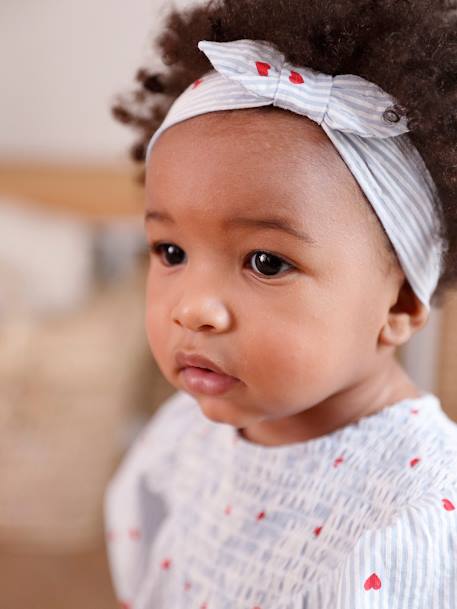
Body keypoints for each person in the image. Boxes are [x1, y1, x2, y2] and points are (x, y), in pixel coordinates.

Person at [103, 1, 457, 607]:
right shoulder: (182, 435)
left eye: (266, 262)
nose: (193, 310)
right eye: (170, 251)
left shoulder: (419, 510)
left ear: (398, 302)